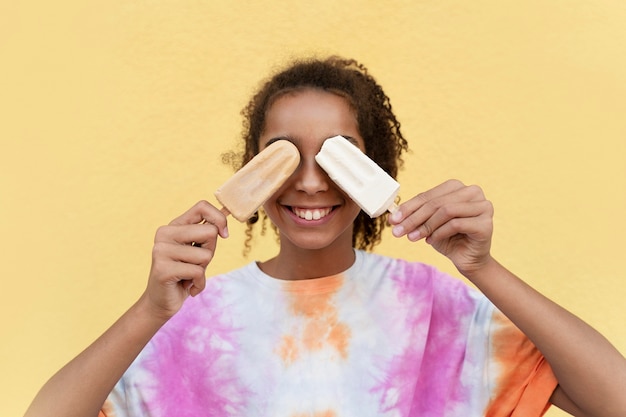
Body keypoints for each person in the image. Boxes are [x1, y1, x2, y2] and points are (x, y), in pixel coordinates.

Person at [25, 56, 626, 417]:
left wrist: (483, 268)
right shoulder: (196, 317)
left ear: (377, 169)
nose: (310, 182)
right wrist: (148, 310)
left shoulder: (432, 305)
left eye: (339, 156)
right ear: (250, 169)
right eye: (282, 155)